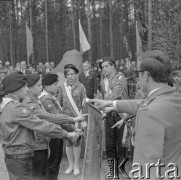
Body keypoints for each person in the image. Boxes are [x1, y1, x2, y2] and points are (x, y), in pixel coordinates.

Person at [91, 50, 181, 179]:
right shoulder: (174, 98)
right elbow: (144, 102)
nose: (137, 77)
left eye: (138, 73)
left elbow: (144, 166)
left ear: (146, 75)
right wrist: (111, 104)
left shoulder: (148, 113)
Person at [0, 72, 80, 180]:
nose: (27, 89)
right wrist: (66, 134)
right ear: (16, 89)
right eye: (24, 87)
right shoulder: (16, 108)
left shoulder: (8, 106)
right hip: (19, 155)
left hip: (15, 154)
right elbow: (40, 124)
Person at [23, 74, 86, 179]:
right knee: (46, 169)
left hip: (47, 138)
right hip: (40, 142)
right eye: (38, 85)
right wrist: (73, 123)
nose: (41, 87)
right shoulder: (36, 101)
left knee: (49, 167)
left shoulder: (38, 99)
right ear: (29, 87)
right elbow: (50, 117)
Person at [99, 57, 128, 179]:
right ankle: (112, 171)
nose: (104, 69)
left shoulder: (120, 77)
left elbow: (115, 94)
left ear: (113, 66)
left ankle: (121, 169)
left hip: (121, 114)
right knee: (110, 144)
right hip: (109, 114)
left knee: (121, 144)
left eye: (106, 66)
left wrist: (102, 104)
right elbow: (104, 94)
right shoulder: (103, 79)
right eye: (102, 67)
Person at [39, 73, 69, 180]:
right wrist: (73, 129)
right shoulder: (46, 99)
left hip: (57, 133)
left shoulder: (51, 97)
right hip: (51, 135)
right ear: (47, 86)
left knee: (57, 160)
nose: (58, 86)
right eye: (55, 84)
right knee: (52, 162)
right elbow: (57, 118)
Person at [59, 64, 87, 176]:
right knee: (67, 142)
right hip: (66, 118)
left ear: (76, 75)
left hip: (77, 118)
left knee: (76, 142)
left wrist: (82, 118)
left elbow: (84, 104)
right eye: (68, 74)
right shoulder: (62, 87)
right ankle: (70, 165)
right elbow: (59, 102)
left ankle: (76, 165)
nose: (70, 76)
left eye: (72, 74)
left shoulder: (81, 87)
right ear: (65, 76)